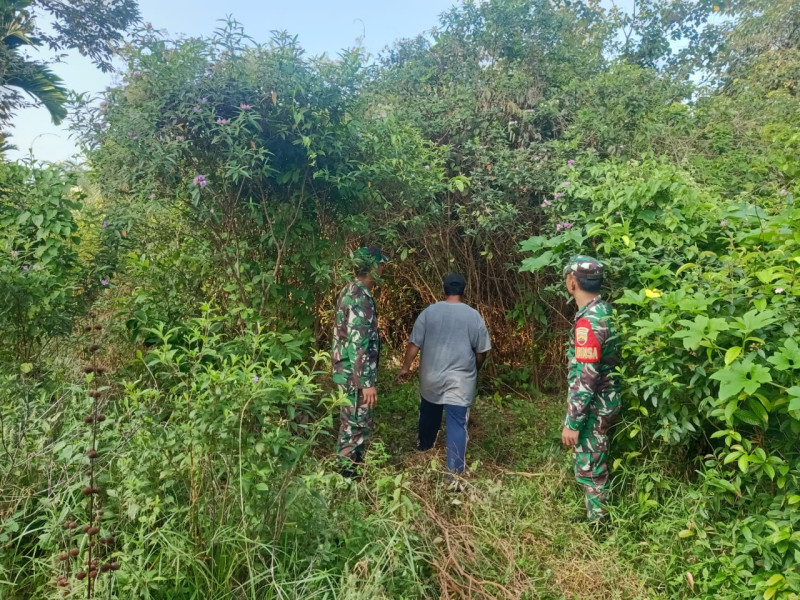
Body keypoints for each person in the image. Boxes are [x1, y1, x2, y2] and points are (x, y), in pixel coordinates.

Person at [397, 273, 491, 481]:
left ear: (444, 290)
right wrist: (477, 366)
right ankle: (453, 475)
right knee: (457, 422)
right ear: (464, 291)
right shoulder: (473, 316)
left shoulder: (429, 313)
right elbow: (481, 351)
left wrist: (405, 368)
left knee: (429, 414)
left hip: (431, 378)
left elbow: (414, 344)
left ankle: (423, 452)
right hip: (461, 381)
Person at [560, 256, 621, 524]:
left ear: (572, 282)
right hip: (608, 399)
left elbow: (586, 378)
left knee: (591, 464)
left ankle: (598, 526)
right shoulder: (606, 311)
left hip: (595, 405)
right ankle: (594, 515)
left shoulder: (589, 322)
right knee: (596, 457)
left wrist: (572, 422)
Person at [331, 246, 389, 476]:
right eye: (381, 265)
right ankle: (346, 473)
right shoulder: (359, 298)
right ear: (372, 268)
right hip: (354, 375)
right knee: (355, 423)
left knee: (352, 420)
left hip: (348, 371)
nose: (383, 270)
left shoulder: (350, 290)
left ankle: (353, 466)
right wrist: (366, 382)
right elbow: (358, 344)